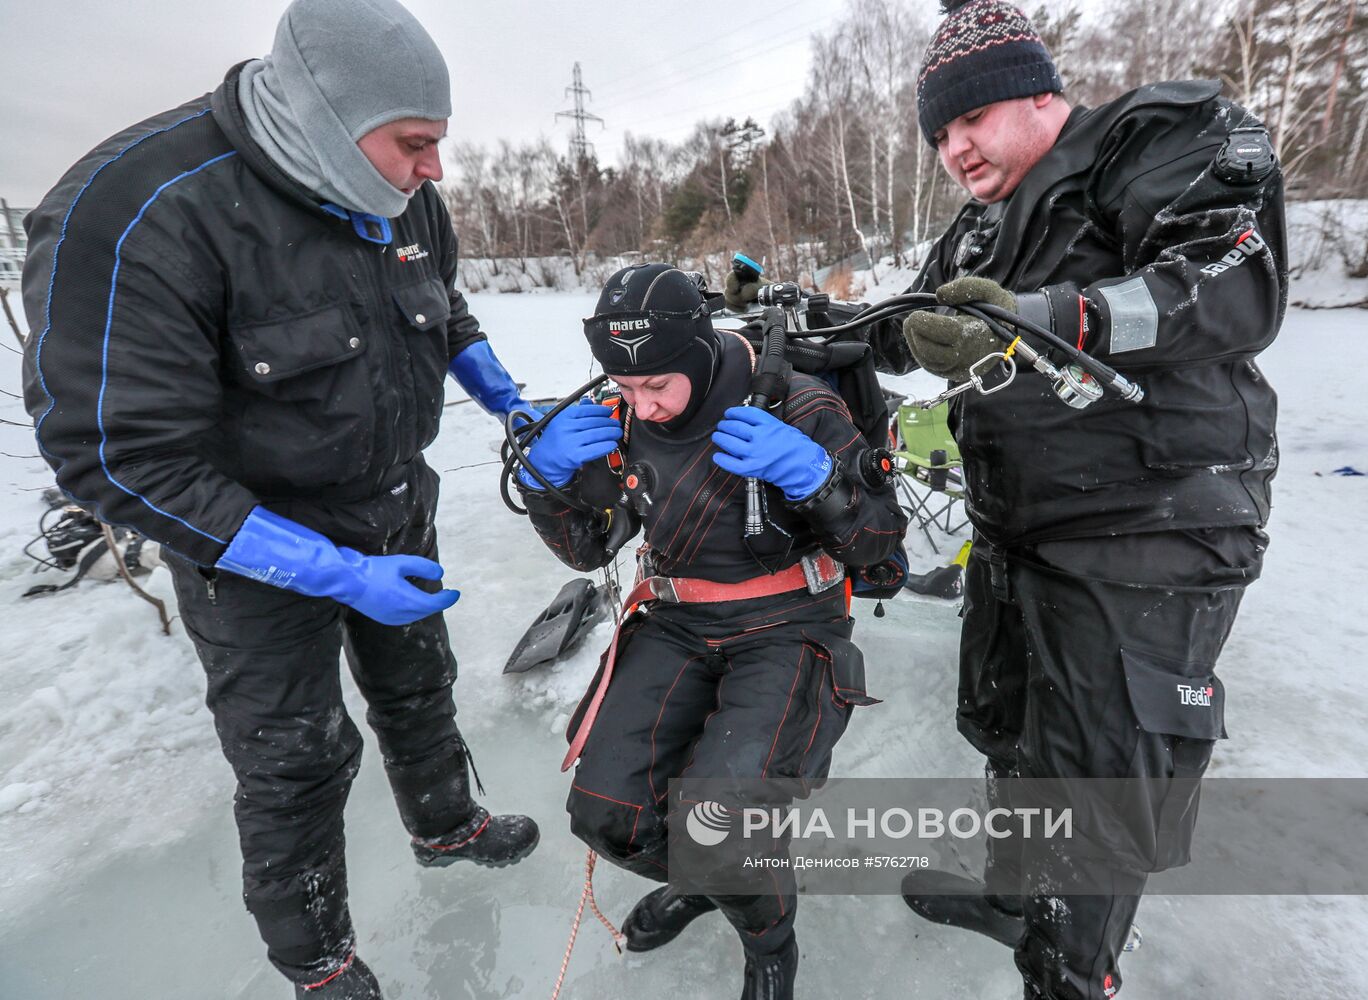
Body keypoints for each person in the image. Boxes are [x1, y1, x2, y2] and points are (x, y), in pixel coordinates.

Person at [20, 1, 541, 996]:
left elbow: (449, 315)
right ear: (326, 119)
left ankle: (445, 824)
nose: (436, 170)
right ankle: (318, 958)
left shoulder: (401, 196)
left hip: (393, 495)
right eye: (416, 143)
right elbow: (119, 456)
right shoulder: (138, 207)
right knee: (298, 754)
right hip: (247, 541)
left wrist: (519, 411)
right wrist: (337, 571)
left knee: (418, 682)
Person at [882, 2, 1287, 999]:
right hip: (1025, 529)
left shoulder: (1156, 139)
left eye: (967, 120)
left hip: (1154, 526)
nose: (953, 149)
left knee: (1095, 784)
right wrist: (780, 337)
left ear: (1030, 94)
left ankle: (1071, 970)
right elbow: (902, 327)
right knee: (1012, 730)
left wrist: (1046, 316)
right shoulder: (980, 225)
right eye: (938, 134)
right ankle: (1019, 897)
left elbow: (1226, 288)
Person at [516, 263, 907, 999]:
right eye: (627, 390)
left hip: (790, 619)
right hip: (677, 617)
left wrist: (819, 479)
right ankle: (715, 881)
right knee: (610, 819)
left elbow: (881, 541)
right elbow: (588, 548)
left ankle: (769, 940)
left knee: (723, 824)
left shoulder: (796, 401)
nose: (644, 407)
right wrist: (547, 486)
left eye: (657, 387)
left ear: (696, 353)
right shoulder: (624, 415)